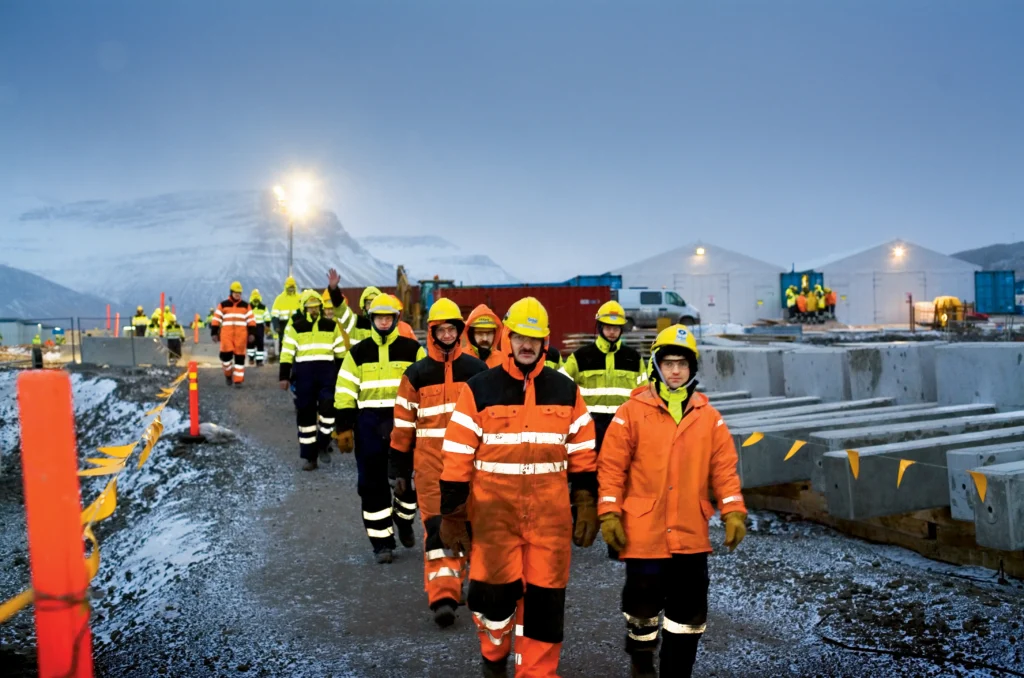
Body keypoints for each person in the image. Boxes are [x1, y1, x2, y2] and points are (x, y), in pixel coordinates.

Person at [439, 296, 599, 677]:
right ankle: (493, 657)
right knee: (492, 604)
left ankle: (538, 674)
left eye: (536, 338)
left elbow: (583, 451)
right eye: (520, 337)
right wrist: (453, 513)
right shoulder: (479, 389)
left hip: (549, 522)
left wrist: (586, 500)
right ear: (507, 337)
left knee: (545, 607)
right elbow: (457, 453)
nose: (527, 345)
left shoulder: (565, 391)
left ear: (545, 342)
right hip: (495, 521)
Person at [597, 324, 747, 678]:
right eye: (669, 363)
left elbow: (724, 470)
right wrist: (608, 512)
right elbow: (611, 467)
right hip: (643, 533)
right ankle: (641, 656)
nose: (676, 371)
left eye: (682, 363)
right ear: (657, 366)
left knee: (687, 618)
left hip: (689, 534)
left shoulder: (709, 419)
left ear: (692, 368)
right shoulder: (631, 412)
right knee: (641, 609)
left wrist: (733, 510)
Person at [389, 299, 488, 627]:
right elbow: (403, 427)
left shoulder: (477, 371)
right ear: (431, 332)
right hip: (431, 469)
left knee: (472, 529)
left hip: (473, 468)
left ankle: (467, 584)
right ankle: (443, 596)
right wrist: (399, 470)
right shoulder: (416, 375)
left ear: (460, 332)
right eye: (440, 329)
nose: (446, 335)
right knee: (437, 531)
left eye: (452, 329)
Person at [334, 293, 426, 563]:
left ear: (396, 319)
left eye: (388, 317)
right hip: (369, 425)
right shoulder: (358, 353)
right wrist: (344, 427)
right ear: (371, 320)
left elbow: (427, 389)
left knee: (407, 481)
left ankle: (404, 520)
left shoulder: (412, 350)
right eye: (379, 317)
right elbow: (345, 389)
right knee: (372, 484)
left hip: (405, 423)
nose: (384, 322)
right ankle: (382, 543)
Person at [559, 300, 647, 552]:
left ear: (622, 330)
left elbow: (643, 396)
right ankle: (582, 528)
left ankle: (615, 541)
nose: (611, 331)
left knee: (619, 481)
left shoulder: (633, 358)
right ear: (599, 326)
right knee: (583, 477)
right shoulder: (581, 357)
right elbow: (563, 386)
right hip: (588, 430)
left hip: (622, 431)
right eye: (607, 326)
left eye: (616, 327)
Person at [279, 290, 347, 471]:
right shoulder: (296, 327)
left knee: (329, 410)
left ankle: (323, 443)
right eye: (310, 308)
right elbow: (286, 353)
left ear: (321, 307)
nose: (313, 310)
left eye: (316, 307)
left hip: (327, 376)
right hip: (304, 377)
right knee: (306, 418)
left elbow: (341, 353)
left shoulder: (331, 326)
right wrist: (284, 376)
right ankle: (310, 457)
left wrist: (343, 376)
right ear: (304, 308)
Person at [210, 281, 256, 387]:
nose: (237, 294)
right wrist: (214, 333)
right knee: (225, 358)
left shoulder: (246, 306)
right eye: (236, 292)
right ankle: (228, 374)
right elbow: (216, 319)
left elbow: (251, 321)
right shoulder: (223, 305)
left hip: (241, 336)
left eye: (239, 293)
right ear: (231, 292)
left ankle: (238, 380)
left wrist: (252, 333)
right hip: (226, 336)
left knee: (240, 358)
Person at [272, 276, 301, 355]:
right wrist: (276, 326)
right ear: (286, 287)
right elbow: (274, 315)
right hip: (283, 325)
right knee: (284, 343)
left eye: (292, 287)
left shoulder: (300, 298)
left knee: (297, 343)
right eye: (289, 287)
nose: (291, 289)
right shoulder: (279, 299)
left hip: (297, 324)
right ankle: (284, 361)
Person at [248, 289, 271, 366]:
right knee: (250, 343)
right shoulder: (248, 307)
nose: (256, 299)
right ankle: (251, 358)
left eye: (257, 297)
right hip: (250, 327)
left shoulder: (263, 307)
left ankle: (259, 361)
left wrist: (267, 326)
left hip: (260, 327)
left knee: (260, 344)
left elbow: (267, 317)